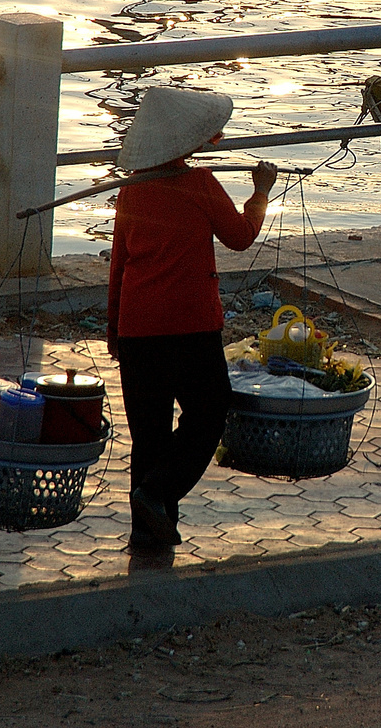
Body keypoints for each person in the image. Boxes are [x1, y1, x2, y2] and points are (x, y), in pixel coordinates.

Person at [106, 86, 277, 554]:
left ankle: (149, 535)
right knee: (208, 412)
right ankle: (156, 495)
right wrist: (260, 194)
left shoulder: (130, 189)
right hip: (189, 325)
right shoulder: (200, 184)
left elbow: (119, 263)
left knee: (149, 434)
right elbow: (240, 237)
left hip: (138, 326)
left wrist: (113, 328)